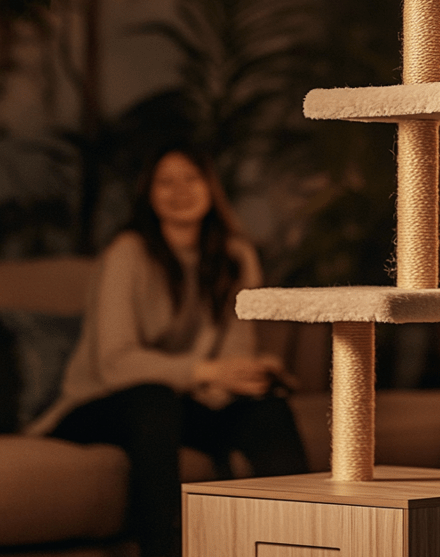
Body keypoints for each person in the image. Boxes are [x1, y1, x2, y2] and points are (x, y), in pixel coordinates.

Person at [28, 143, 309, 557]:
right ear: (149, 194)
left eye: (190, 178)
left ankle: (303, 543)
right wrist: (207, 372)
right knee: (153, 399)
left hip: (185, 402)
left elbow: (234, 349)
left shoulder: (235, 255)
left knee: (267, 409)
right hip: (100, 403)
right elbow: (114, 364)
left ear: (210, 187)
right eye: (166, 181)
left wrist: (243, 378)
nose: (179, 190)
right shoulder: (128, 252)